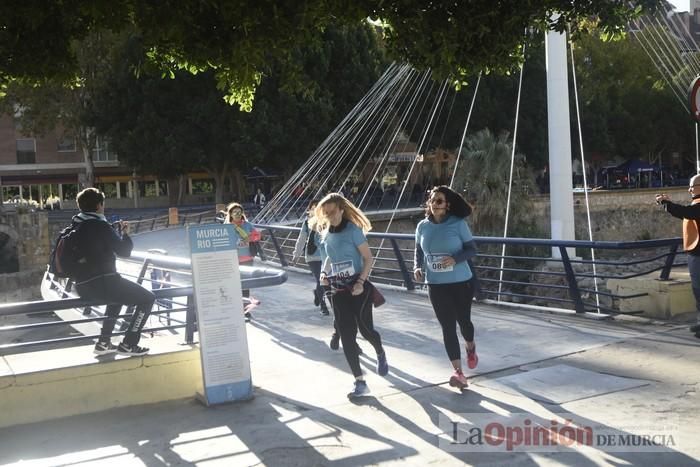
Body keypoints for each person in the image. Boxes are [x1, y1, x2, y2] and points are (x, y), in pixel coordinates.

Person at [316, 192, 389, 398]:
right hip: (338, 288)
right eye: (326, 213)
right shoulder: (326, 233)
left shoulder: (353, 231)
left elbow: (368, 258)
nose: (329, 216)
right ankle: (359, 381)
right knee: (347, 334)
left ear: (341, 210)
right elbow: (329, 257)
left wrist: (360, 282)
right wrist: (324, 272)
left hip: (358, 286)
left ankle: (380, 352)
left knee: (366, 331)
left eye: (332, 211)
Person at [72, 187, 155, 356]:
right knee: (147, 299)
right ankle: (129, 344)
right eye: (103, 204)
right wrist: (125, 234)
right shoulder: (100, 225)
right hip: (103, 282)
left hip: (82, 286)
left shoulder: (76, 225)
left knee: (117, 297)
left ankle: (103, 342)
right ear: (98, 206)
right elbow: (124, 251)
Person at [414, 185, 479, 390]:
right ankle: (458, 373)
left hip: (461, 282)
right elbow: (418, 250)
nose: (434, 204)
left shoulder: (457, 224)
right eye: (432, 201)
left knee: (464, 322)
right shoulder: (422, 226)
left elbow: (471, 250)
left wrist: (455, 259)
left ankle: (470, 346)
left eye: (439, 201)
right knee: (447, 327)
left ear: (447, 204)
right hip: (436, 284)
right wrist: (417, 267)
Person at [656, 175, 700, 338]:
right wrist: (668, 204)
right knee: (697, 291)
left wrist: (666, 204)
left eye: (692, 186)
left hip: (698, 254)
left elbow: (687, 213)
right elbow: (686, 214)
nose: (689, 190)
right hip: (695, 253)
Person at [292, 200, 330, 315]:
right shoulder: (306, 223)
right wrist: (296, 254)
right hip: (312, 256)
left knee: (325, 280)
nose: (316, 210)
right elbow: (301, 239)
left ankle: (318, 294)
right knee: (321, 280)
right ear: (310, 209)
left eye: (319, 207)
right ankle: (323, 306)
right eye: (314, 207)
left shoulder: (327, 221)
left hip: (326, 256)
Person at [225, 202, 261, 320]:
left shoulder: (247, 225)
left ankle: (245, 310)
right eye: (234, 212)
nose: (237, 214)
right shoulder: (226, 227)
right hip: (232, 259)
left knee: (245, 285)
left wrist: (248, 237)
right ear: (230, 214)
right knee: (234, 284)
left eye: (239, 212)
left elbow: (257, 236)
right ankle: (234, 308)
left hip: (247, 258)